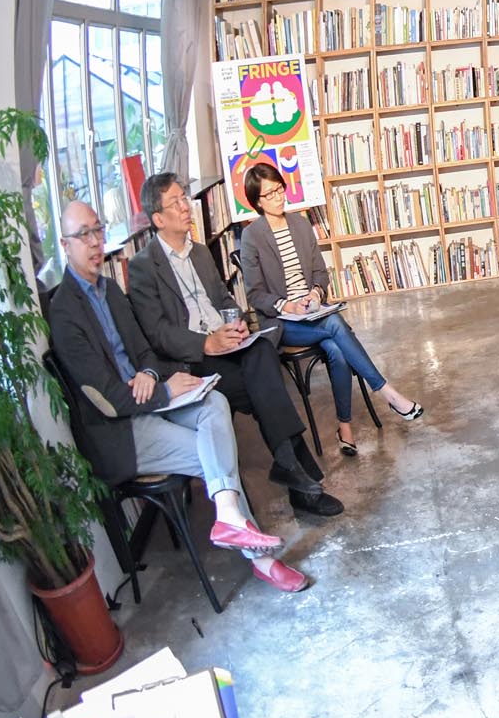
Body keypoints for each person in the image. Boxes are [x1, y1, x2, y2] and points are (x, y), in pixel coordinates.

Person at [46, 201, 310, 593]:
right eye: (83, 235)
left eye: (98, 230)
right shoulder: (64, 312)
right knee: (214, 452)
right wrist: (164, 390)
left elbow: (145, 351)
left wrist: (151, 374)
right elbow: (107, 400)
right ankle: (262, 561)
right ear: (65, 244)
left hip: (150, 397)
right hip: (121, 429)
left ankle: (227, 514)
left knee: (215, 402)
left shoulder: (110, 290)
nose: (95, 242)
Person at [124, 173, 341, 518]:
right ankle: (299, 481)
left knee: (262, 350)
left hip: (229, 344)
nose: (186, 206)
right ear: (158, 219)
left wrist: (236, 321)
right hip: (194, 361)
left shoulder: (199, 253)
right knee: (263, 383)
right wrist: (207, 343)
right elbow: (158, 333)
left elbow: (224, 299)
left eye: (184, 198)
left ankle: (292, 470)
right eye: (176, 202)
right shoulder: (142, 267)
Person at [236, 160, 422, 456]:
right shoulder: (252, 236)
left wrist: (315, 293)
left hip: (313, 311)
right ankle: (387, 392)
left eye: (280, 189)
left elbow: (320, 273)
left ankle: (344, 428)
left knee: (336, 349)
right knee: (335, 325)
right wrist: (288, 305)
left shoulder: (300, 224)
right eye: (269, 194)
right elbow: (255, 293)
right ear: (257, 201)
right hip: (284, 321)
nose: (278, 197)